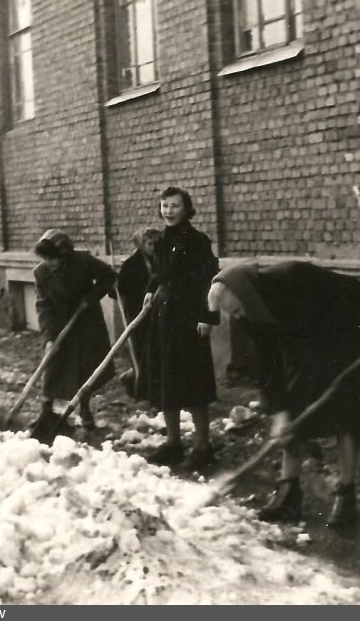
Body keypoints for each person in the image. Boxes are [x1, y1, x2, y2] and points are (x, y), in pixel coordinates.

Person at [207, 260, 360, 528]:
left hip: (343, 342)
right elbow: (268, 362)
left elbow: (351, 288)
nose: (238, 317)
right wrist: (279, 411)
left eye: (237, 309)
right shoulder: (250, 313)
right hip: (302, 354)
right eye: (232, 314)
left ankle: (346, 497)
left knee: (348, 418)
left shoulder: (291, 275)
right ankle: (289, 495)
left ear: (244, 293)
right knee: (292, 421)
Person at [137, 187, 220, 471]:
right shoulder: (161, 240)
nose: (169, 211)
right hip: (164, 316)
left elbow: (210, 279)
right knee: (165, 376)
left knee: (193, 379)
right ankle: (173, 442)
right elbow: (160, 273)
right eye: (164, 206)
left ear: (186, 209)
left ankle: (202, 445)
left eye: (174, 206)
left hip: (188, 317)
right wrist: (151, 290)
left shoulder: (197, 241)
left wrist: (208, 316)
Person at [28, 229, 117, 441]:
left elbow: (109, 276)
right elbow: (43, 305)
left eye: (53, 258)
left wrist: (91, 296)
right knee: (52, 363)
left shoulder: (83, 261)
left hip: (86, 322)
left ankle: (84, 409)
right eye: (45, 258)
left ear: (65, 254)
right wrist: (49, 337)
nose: (49, 263)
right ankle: (46, 410)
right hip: (58, 323)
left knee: (85, 367)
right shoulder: (40, 273)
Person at [115, 227, 161, 394]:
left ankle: (148, 384)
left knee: (155, 349)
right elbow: (117, 290)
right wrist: (116, 284)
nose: (153, 247)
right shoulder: (131, 264)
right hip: (137, 312)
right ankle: (137, 383)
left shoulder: (161, 260)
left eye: (156, 244)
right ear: (141, 244)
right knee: (140, 349)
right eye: (149, 244)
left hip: (156, 311)